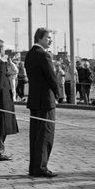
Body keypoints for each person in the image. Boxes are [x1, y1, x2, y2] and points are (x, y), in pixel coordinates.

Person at [24, 27, 59, 178]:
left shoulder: (30, 54)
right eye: (48, 37)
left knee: (35, 135)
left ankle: (34, 166)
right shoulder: (44, 55)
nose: (50, 40)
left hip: (34, 99)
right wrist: (58, 93)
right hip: (46, 100)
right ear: (39, 38)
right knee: (45, 134)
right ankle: (41, 167)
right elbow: (52, 77)